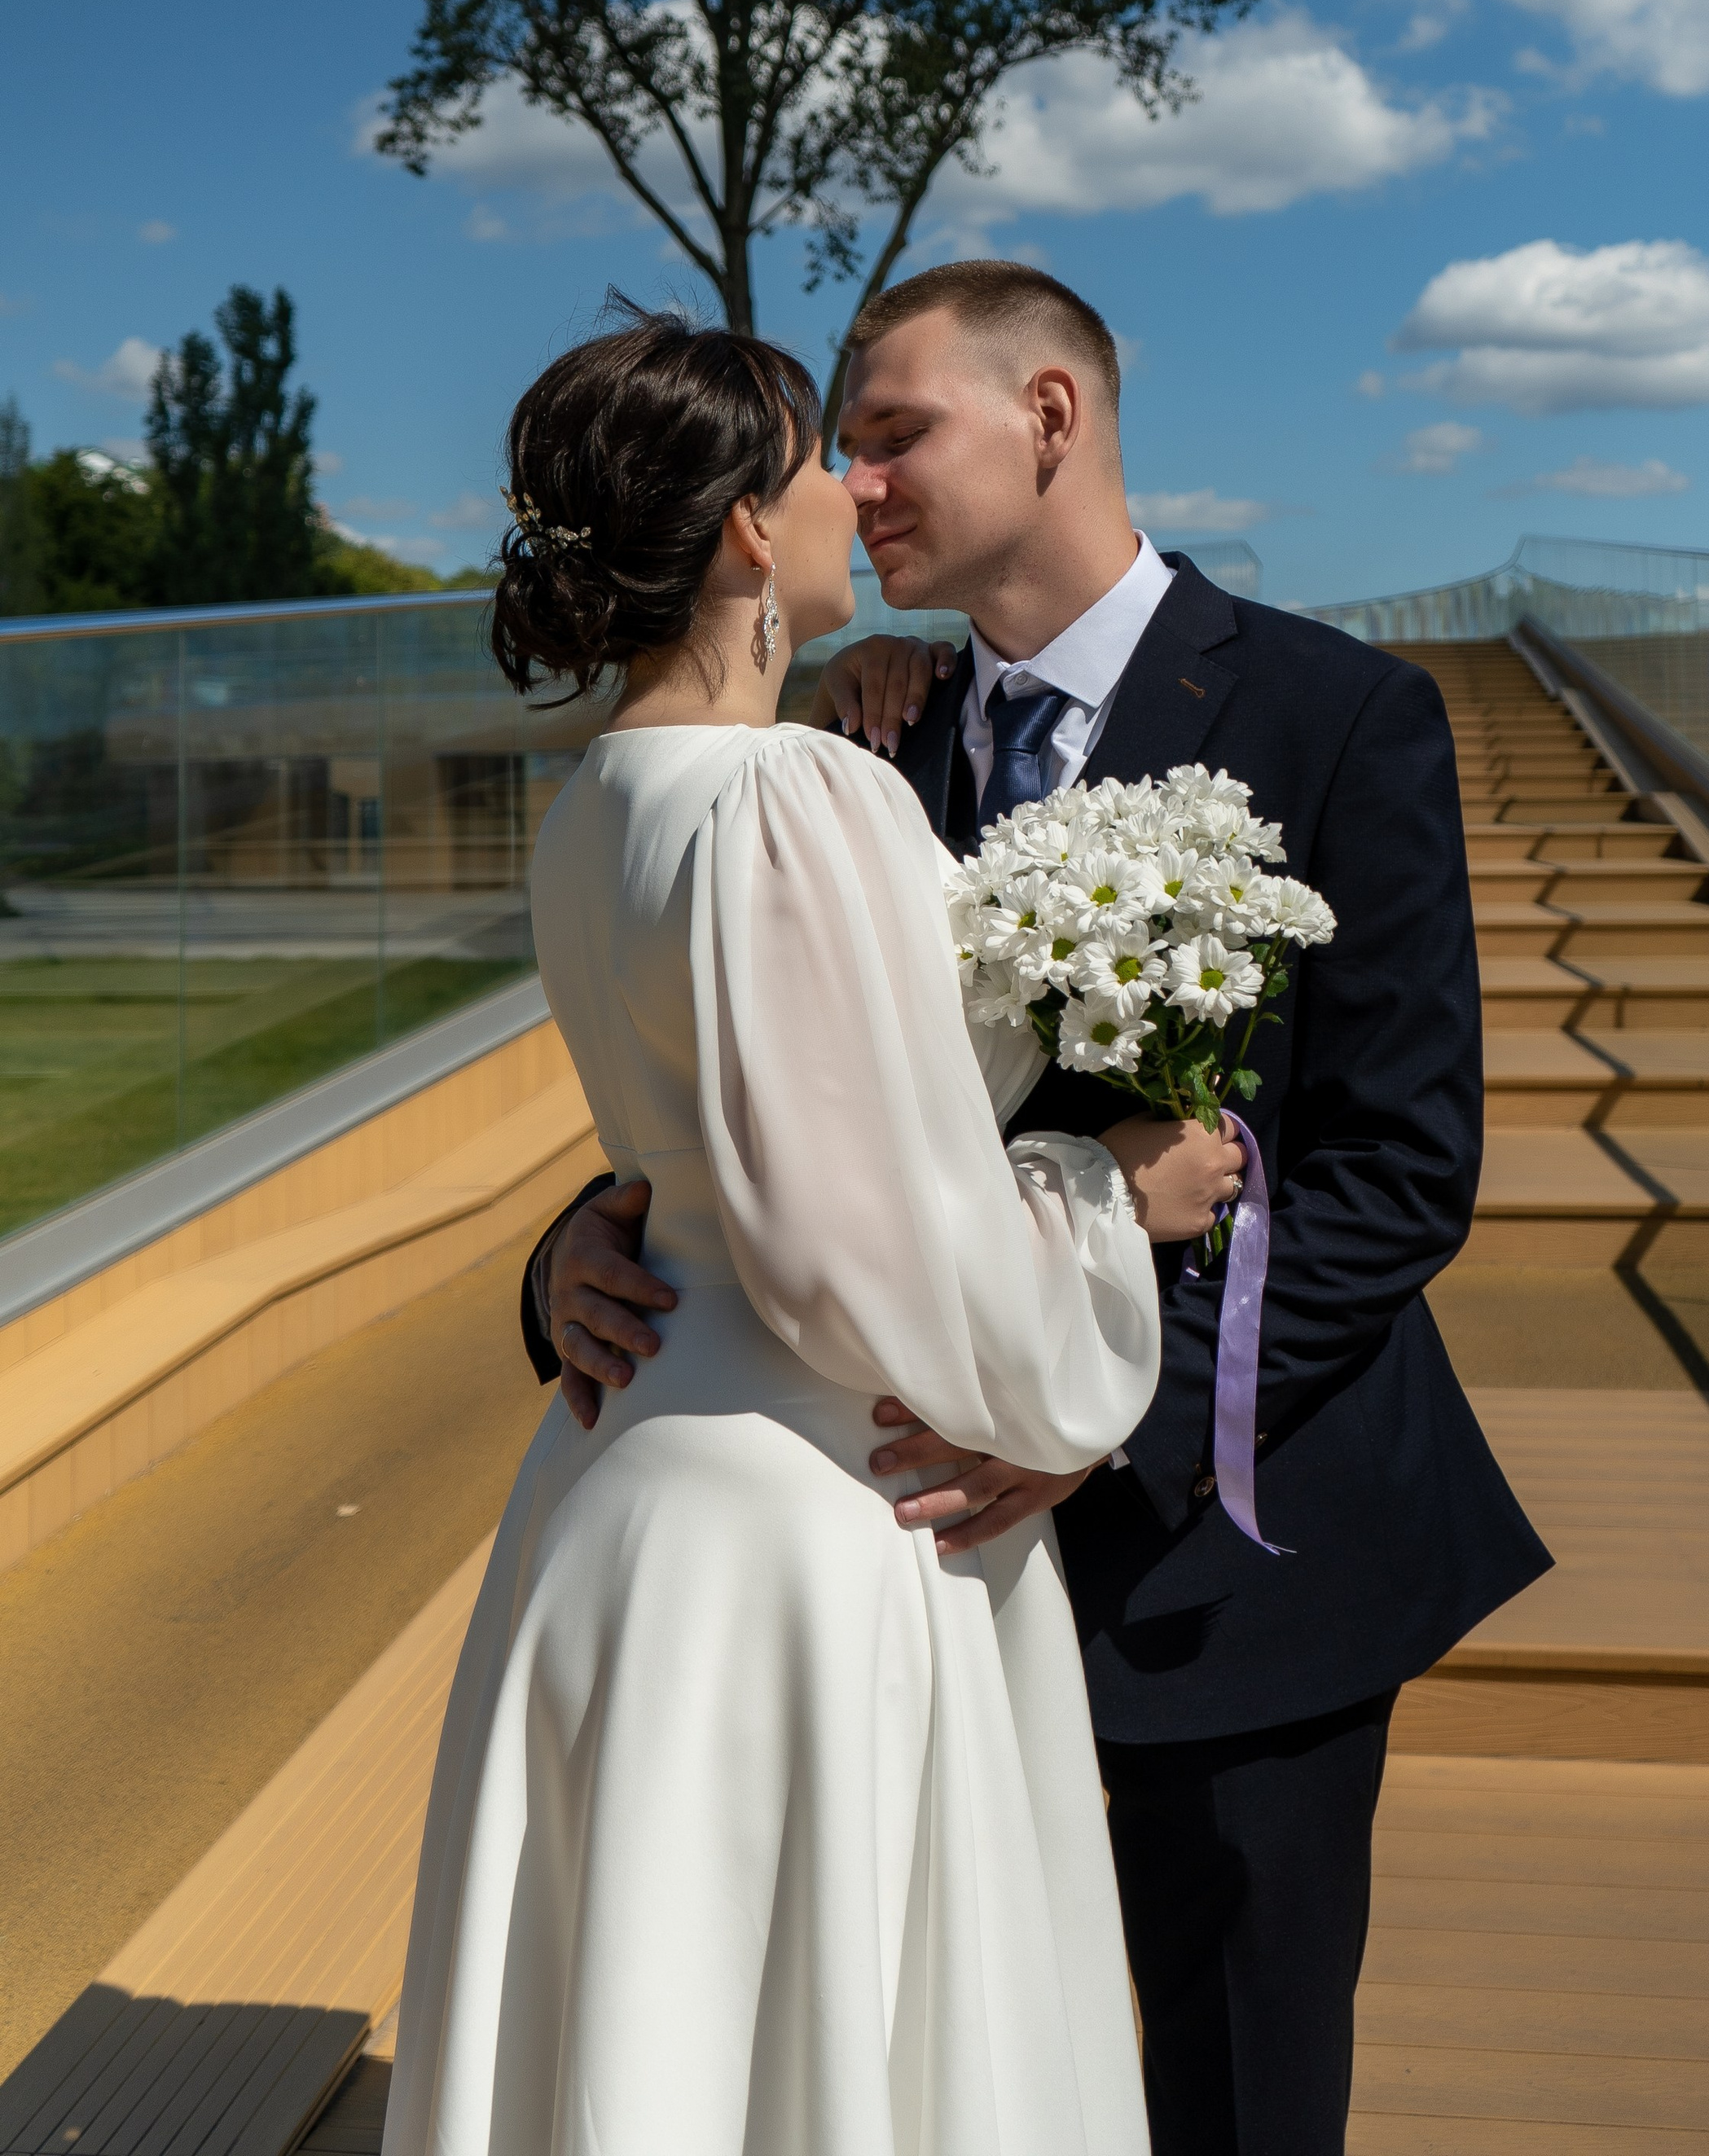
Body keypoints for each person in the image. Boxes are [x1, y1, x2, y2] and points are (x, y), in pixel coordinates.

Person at [527, 261, 1552, 2156]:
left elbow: (1399, 1167)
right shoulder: (839, 751)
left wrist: (1091, 1428)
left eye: (897, 429)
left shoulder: (1341, 715)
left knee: (1235, 2085)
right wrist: (581, 1245)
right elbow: (765, 1104)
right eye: (842, 448)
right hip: (884, 1564)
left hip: (1217, 1549)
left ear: (1052, 418)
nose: (867, 478)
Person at [386, 305, 1239, 2156]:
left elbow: (703, 1151)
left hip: (616, 1478)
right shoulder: (797, 794)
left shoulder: (591, 804)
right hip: (810, 1501)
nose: (858, 490)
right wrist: (1121, 1197)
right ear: (748, 536)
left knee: (670, 2031)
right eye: (816, 463)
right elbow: (875, 1233)